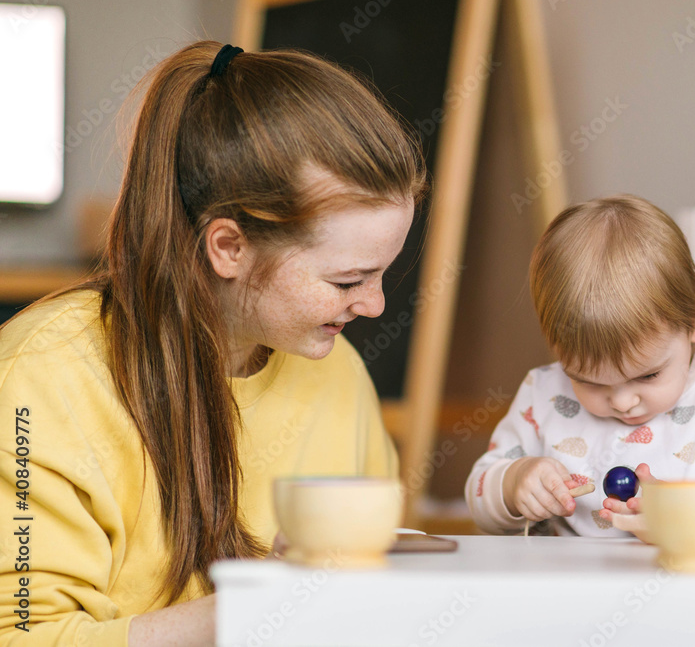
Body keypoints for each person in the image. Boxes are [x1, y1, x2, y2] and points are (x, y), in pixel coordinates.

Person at [0, 41, 425, 645]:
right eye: (347, 280)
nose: (375, 305)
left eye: (383, 273)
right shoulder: (38, 379)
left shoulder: (337, 373)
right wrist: (258, 607)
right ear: (228, 247)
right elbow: (21, 636)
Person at [465, 195, 695, 537]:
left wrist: (686, 515)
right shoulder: (543, 393)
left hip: (683, 584)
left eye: (648, 375)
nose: (622, 402)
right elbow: (479, 495)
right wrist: (514, 483)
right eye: (590, 382)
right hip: (560, 586)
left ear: (694, 317)